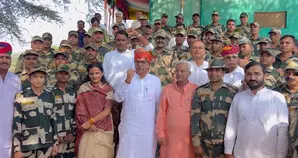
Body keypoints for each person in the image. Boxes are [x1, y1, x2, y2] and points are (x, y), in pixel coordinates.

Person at [224, 61, 289, 158]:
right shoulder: (238, 97)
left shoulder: (277, 97)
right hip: (241, 154)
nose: (252, 78)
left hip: (269, 154)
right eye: (249, 74)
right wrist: (228, 151)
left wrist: (281, 155)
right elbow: (231, 126)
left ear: (265, 76)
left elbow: (282, 130)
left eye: (257, 74)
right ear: (245, 76)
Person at [114, 48, 162, 158]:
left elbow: (158, 106)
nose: (140, 65)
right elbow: (117, 98)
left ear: (149, 64)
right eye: (137, 62)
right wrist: (127, 82)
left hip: (148, 128)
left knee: (146, 154)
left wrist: (159, 127)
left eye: (143, 62)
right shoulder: (126, 78)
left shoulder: (155, 80)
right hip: (129, 127)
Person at [191, 58, 238, 158]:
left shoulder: (232, 92)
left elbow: (236, 120)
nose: (213, 73)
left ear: (223, 72)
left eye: (217, 70)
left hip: (224, 145)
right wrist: (196, 143)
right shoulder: (200, 91)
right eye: (211, 70)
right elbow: (195, 118)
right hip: (204, 144)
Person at [13, 67, 58, 158]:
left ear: (45, 79)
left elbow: (53, 120)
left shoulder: (50, 95)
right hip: (28, 144)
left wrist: (55, 143)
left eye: (41, 77)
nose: (38, 80)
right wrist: (17, 148)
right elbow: (17, 122)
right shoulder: (22, 96)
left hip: (47, 144)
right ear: (29, 78)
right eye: (35, 77)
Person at [156, 61, 197, 158]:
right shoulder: (167, 89)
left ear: (189, 74)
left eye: (182, 71)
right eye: (177, 71)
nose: (179, 73)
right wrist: (160, 134)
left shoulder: (195, 89)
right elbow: (161, 112)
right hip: (170, 137)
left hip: (188, 137)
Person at [75, 62, 114, 158]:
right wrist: (87, 124)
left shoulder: (108, 89)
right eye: (91, 73)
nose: (94, 76)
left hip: (104, 128)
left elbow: (107, 110)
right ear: (88, 74)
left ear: (102, 73)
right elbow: (80, 110)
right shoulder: (83, 88)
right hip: (88, 128)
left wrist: (90, 121)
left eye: (97, 73)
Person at [0, 42, 21, 158]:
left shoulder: (15, 79)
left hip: (9, 133)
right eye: (1, 57)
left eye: (7, 57)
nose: (4, 60)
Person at [274, 58, 298, 157]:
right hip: (278, 140)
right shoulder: (275, 92)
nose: (290, 76)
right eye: (288, 73)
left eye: (295, 73)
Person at [51, 65, 76, 158]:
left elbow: (76, 113)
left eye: (65, 73)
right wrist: (54, 136)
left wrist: (73, 132)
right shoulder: (49, 92)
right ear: (56, 75)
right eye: (60, 73)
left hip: (70, 136)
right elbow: (47, 115)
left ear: (69, 76)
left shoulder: (73, 92)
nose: (63, 75)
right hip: (54, 137)